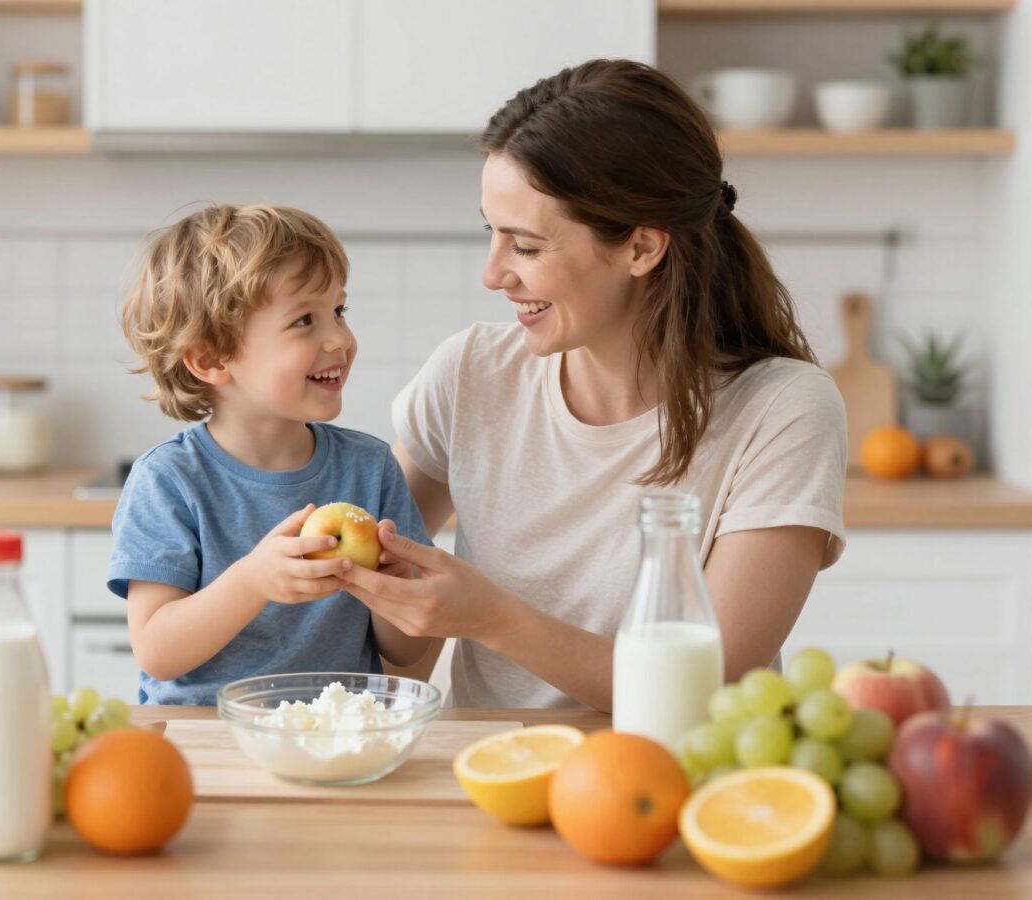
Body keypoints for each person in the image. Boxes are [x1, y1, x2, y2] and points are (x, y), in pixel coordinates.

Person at [338, 59, 848, 711]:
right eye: (490, 234)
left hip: (676, 787)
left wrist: (491, 616)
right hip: (500, 783)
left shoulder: (783, 409)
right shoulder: (469, 373)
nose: (493, 274)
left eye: (524, 246)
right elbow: (392, 635)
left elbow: (708, 683)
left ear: (641, 248)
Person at [109, 204, 431, 704]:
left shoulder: (370, 469)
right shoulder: (169, 480)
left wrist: (394, 587)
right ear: (212, 359)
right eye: (305, 319)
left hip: (334, 737)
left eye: (339, 311)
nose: (340, 339)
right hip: (205, 740)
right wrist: (253, 581)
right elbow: (157, 649)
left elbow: (409, 652)